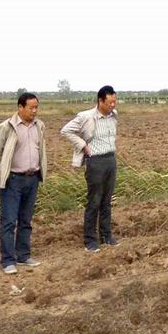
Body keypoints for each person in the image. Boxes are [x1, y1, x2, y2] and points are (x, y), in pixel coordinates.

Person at [0, 93, 47, 274]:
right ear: (20, 107)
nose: (34, 111)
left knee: (26, 220)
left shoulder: (39, 126)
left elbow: (40, 149)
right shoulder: (6, 127)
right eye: (31, 107)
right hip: (13, 180)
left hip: (32, 178)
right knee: (8, 221)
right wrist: (5, 171)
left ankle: (23, 255)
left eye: (36, 107)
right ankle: (8, 261)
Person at [61, 85, 120, 253]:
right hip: (95, 162)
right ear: (100, 101)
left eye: (114, 102)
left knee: (106, 201)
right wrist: (82, 145)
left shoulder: (114, 115)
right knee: (94, 201)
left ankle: (106, 236)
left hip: (110, 160)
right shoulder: (86, 117)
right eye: (109, 102)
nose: (112, 105)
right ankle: (90, 241)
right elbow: (66, 131)